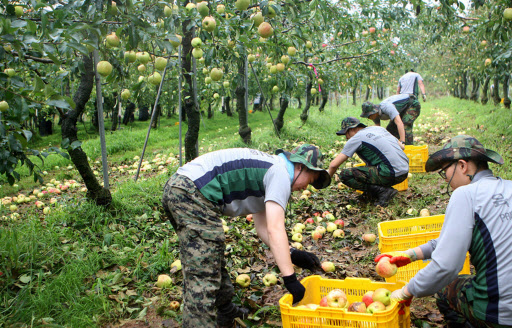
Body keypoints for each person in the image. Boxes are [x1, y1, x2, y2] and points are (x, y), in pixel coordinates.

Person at [162, 144, 331, 327]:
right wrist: (290, 278)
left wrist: (293, 254)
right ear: (300, 166)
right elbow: (275, 229)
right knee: (203, 273)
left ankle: (225, 311)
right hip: (191, 191)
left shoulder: (271, 170)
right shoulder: (280, 174)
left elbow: (264, 228)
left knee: (209, 255)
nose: (307, 186)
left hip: (182, 187)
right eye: (310, 178)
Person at [376, 135, 511, 328]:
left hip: (500, 313)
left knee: (446, 291)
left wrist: (406, 291)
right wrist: (410, 255)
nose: (446, 179)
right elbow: (451, 241)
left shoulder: (466, 195)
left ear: (463, 166)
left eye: (445, 171)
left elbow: (446, 266)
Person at [328, 117, 409, 207]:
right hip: (404, 172)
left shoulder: (356, 138)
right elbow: (402, 147)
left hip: (390, 173)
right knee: (369, 167)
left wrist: (326, 181)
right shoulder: (379, 129)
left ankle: (383, 191)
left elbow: (333, 165)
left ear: (352, 129)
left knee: (345, 174)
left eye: (346, 134)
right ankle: (374, 193)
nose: (346, 138)